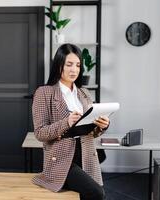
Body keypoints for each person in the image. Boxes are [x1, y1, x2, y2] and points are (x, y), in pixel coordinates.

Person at [32, 43, 109, 200]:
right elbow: (40, 133)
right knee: (96, 193)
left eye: (78, 65)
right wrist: (67, 122)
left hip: (87, 155)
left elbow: (92, 132)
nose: (74, 69)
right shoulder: (44, 93)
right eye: (69, 64)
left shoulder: (84, 93)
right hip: (61, 159)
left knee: (93, 193)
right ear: (59, 65)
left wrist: (102, 126)